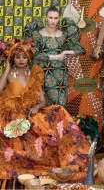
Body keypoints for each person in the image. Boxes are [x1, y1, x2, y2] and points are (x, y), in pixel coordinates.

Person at [0, 38, 89, 178]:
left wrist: (36, 107)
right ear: (12, 59)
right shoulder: (10, 75)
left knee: (58, 111)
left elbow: (43, 101)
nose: (21, 60)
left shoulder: (34, 74)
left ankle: (72, 157)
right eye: (17, 57)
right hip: (12, 113)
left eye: (24, 56)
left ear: (29, 58)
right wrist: (7, 70)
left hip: (30, 112)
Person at [24, 6, 85, 108]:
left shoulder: (63, 35)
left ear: (59, 19)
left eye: (56, 18)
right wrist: (57, 57)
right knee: (41, 104)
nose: (53, 21)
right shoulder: (37, 34)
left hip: (60, 74)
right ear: (46, 18)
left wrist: (66, 52)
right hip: (42, 73)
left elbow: (80, 50)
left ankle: (59, 124)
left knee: (60, 105)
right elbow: (36, 54)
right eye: (50, 17)